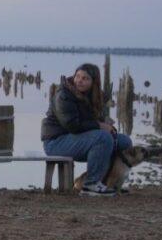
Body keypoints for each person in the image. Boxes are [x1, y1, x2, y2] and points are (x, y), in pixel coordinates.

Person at [42, 63, 133, 196]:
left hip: (77, 139)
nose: (79, 80)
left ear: (93, 82)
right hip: (56, 142)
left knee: (124, 142)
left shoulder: (92, 97)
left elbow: (94, 121)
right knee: (103, 138)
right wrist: (100, 126)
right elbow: (72, 125)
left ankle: (108, 182)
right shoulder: (64, 95)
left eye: (85, 78)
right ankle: (90, 185)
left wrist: (108, 127)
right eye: (77, 76)